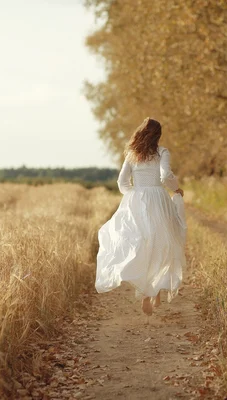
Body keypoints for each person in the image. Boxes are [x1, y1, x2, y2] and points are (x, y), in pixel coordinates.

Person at [95, 117, 187, 316]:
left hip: (137, 199)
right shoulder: (162, 152)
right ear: (158, 135)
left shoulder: (132, 154)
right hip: (158, 199)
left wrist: (133, 194)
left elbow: (122, 181)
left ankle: (147, 292)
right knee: (162, 242)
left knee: (141, 244)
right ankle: (155, 291)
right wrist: (175, 188)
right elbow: (165, 176)